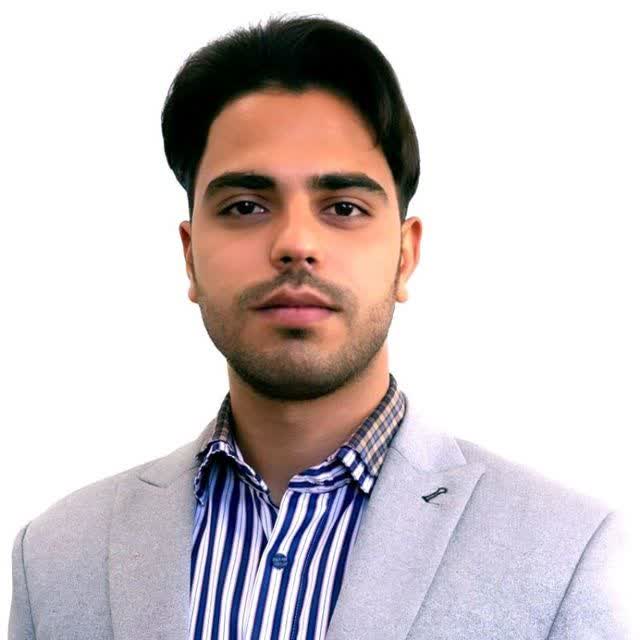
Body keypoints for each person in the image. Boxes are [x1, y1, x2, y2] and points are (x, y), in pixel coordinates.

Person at [8, 14, 636, 640]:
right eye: (245, 206)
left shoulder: (564, 554)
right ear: (191, 256)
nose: (296, 244)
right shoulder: (58, 556)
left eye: (343, 207)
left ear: (404, 256)